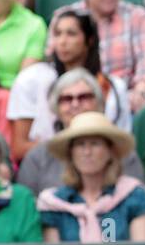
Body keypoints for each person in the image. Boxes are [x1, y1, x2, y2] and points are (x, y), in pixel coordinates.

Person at [7, 10, 130, 161]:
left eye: (71, 34)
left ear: (89, 40)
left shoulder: (114, 87)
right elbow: (19, 148)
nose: (62, 41)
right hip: (47, 165)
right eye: (57, 34)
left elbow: (121, 145)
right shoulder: (31, 79)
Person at [17, 68, 145, 196]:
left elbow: (139, 200)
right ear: (56, 108)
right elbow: (27, 207)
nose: (75, 104)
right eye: (67, 99)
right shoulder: (38, 157)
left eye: (84, 97)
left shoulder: (121, 151)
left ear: (99, 103)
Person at [38, 111, 145, 242]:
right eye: (80, 144)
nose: (87, 152)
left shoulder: (133, 196)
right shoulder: (55, 203)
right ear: (71, 153)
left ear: (110, 151)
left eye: (95, 143)